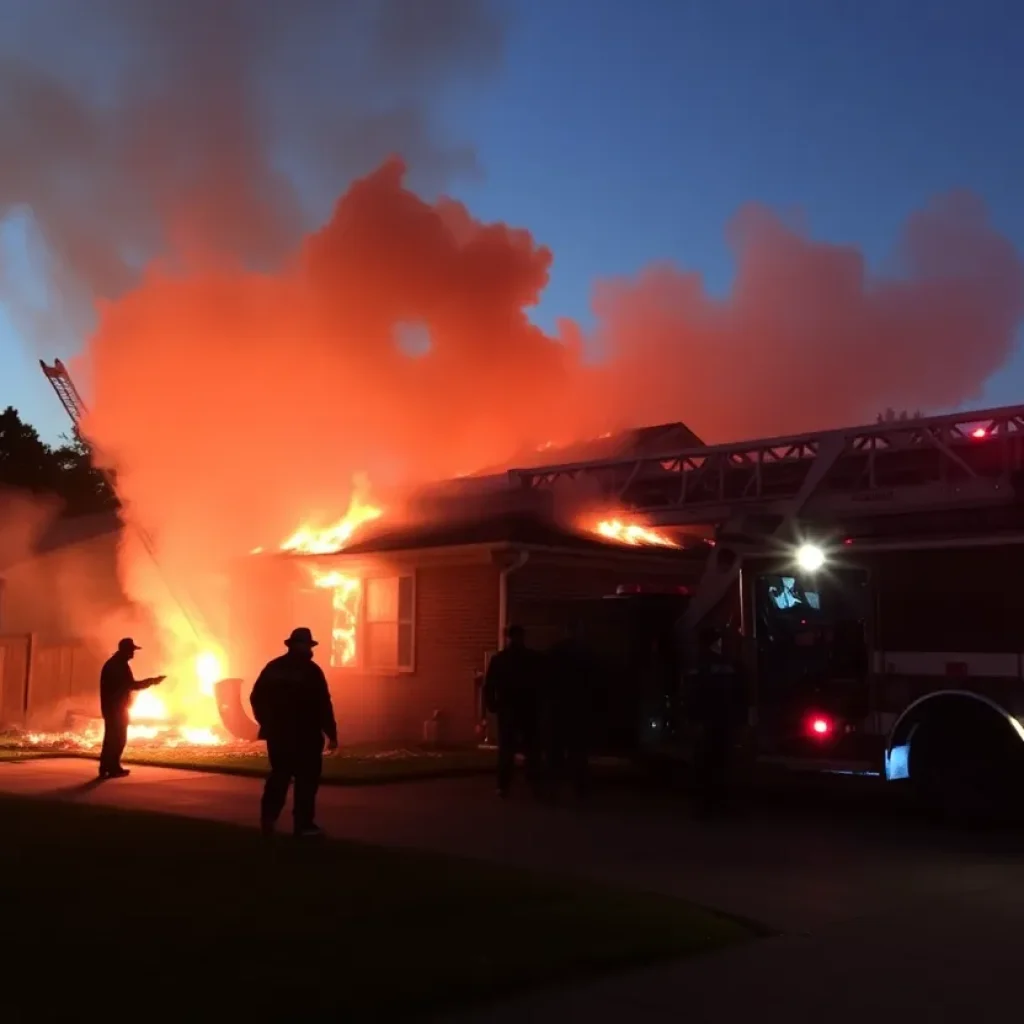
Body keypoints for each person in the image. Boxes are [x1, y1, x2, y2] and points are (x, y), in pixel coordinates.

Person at [250, 627, 338, 838]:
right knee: (305, 782)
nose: (307, 649)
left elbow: (256, 698)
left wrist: (267, 724)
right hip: (305, 736)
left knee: (280, 778)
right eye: (306, 645)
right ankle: (303, 825)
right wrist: (331, 733)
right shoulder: (311, 671)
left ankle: (270, 821)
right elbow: (323, 704)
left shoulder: (274, 668)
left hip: (282, 736)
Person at [484, 624, 540, 798]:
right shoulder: (531, 658)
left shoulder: (500, 659)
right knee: (530, 747)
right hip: (526, 708)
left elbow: (489, 685)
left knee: (507, 748)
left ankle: (503, 785)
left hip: (508, 708)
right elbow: (539, 684)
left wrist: (492, 704)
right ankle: (533, 782)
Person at [98, 638, 165, 779]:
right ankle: (113, 767)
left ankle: (105, 767)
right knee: (118, 738)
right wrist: (152, 681)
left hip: (112, 707)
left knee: (111, 738)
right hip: (117, 708)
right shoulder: (119, 666)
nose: (133, 653)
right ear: (125, 651)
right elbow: (131, 685)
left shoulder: (113, 664)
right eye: (131, 650)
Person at [545, 620, 595, 799]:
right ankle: (580, 789)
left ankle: (552, 789)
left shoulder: (555, 652)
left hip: (558, 707)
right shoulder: (585, 654)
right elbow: (592, 682)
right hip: (578, 708)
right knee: (578, 752)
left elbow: (546, 680)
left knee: (555, 752)